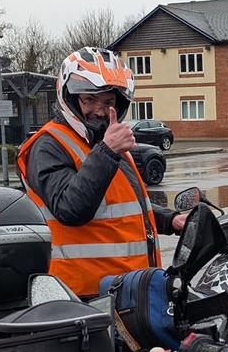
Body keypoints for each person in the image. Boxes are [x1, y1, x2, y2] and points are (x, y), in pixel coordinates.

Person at [17, 47, 185, 297]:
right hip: (84, 296)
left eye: (108, 102)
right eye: (89, 99)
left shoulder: (104, 143)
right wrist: (107, 151)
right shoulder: (50, 145)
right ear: (71, 98)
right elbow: (70, 207)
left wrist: (170, 220)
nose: (99, 110)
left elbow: (119, 206)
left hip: (128, 289)